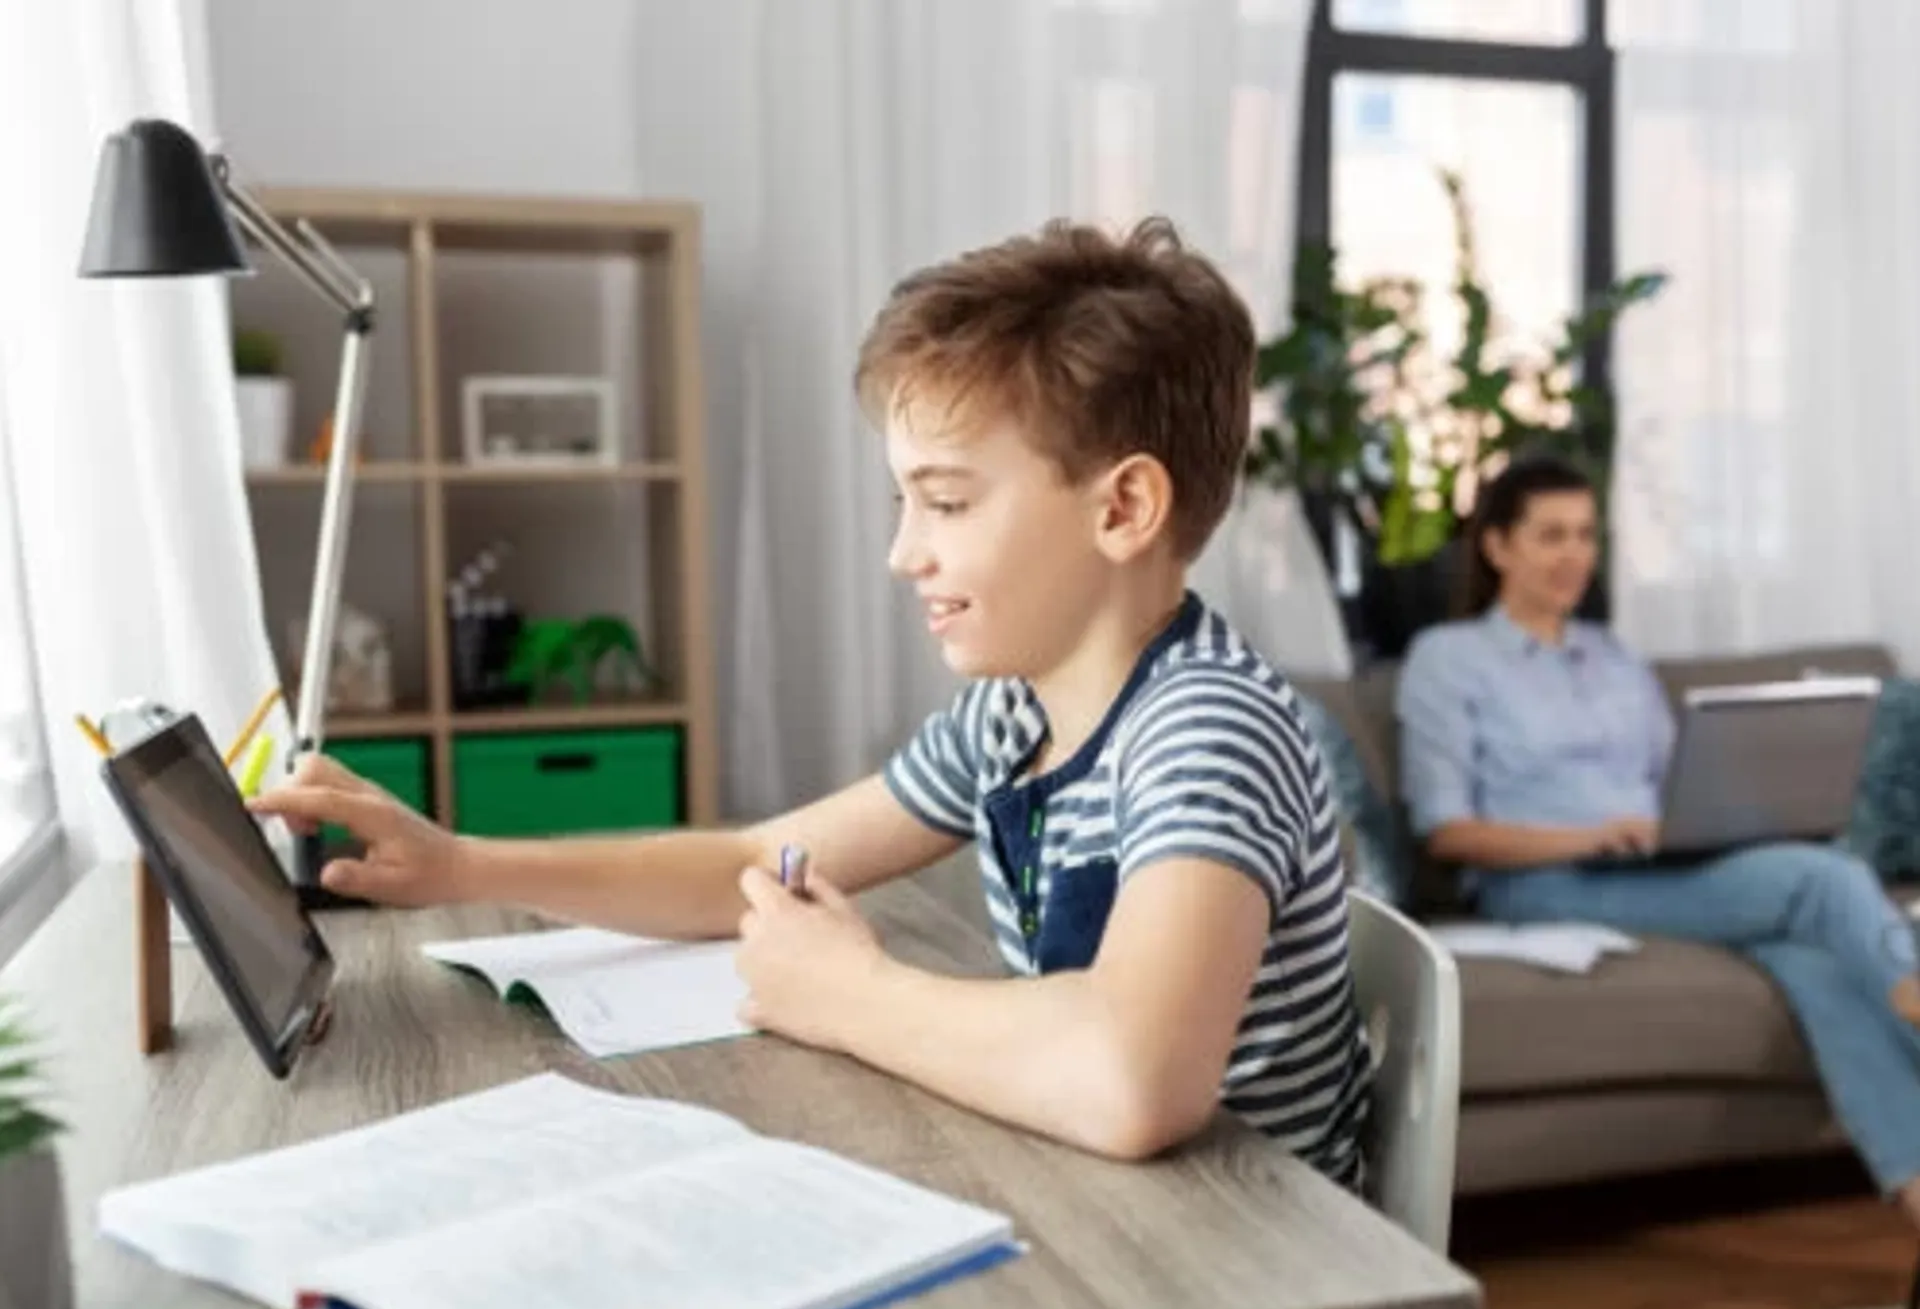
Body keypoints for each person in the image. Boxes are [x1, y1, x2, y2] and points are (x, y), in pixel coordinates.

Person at [250, 218, 1373, 1184]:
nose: (903, 553)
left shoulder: (1205, 728)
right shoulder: (1015, 718)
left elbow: (1133, 1080)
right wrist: (465, 864)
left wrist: (847, 993)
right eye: (906, 501)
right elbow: (755, 859)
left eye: (945, 502)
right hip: (1106, 1198)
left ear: (1123, 506)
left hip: (1254, 1259)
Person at [1396, 454, 1920, 1228]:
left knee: (1811, 964)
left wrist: (1713, 818)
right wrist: (1591, 834)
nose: (1573, 554)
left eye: (1584, 534)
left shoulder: (1615, 661)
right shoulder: (1448, 661)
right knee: (1823, 879)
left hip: (1663, 864)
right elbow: (1446, 831)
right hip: (1546, 881)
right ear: (1498, 546)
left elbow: (1679, 786)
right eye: (1550, 535)